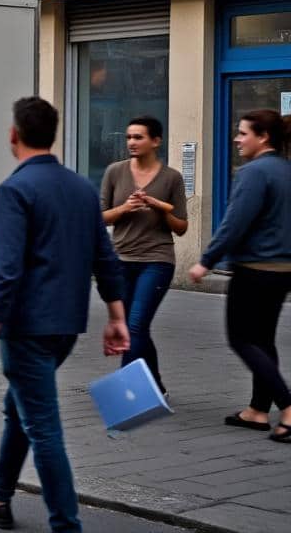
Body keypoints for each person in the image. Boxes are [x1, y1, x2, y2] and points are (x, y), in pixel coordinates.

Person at [0, 97, 130, 533]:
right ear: (52, 135)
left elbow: (8, 272)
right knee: (20, 409)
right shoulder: (81, 189)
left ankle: (66, 526)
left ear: (14, 135)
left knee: (44, 428)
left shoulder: (14, 191)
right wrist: (117, 317)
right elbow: (106, 259)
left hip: (28, 328)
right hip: (66, 326)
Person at [190, 110, 291, 441]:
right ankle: (258, 410)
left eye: (243, 133)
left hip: (254, 269)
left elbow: (235, 223)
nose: (237, 139)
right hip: (282, 271)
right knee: (262, 340)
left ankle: (288, 406)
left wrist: (206, 260)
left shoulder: (254, 172)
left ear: (263, 137)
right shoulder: (286, 170)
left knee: (242, 339)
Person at [100, 116, 188, 395]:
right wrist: (124, 208)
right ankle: (156, 385)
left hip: (157, 261)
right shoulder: (115, 172)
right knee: (135, 327)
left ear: (156, 141)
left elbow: (181, 227)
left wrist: (160, 208)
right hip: (121, 261)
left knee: (135, 325)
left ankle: (127, 391)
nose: (131, 142)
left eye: (138, 137)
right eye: (129, 137)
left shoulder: (171, 177)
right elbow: (99, 217)